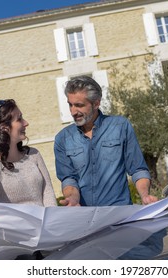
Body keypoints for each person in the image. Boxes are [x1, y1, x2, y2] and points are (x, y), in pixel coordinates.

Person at [54, 75, 158, 207]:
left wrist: (145, 196)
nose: (73, 111)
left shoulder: (121, 126)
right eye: (70, 105)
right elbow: (69, 179)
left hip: (120, 215)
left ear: (96, 103)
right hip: (85, 218)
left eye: (79, 105)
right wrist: (72, 198)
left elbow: (138, 169)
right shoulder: (62, 139)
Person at [0, 99, 57, 252]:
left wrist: (53, 231)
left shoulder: (34, 155)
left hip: (46, 239)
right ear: (4, 128)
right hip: (16, 247)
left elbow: (48, 194)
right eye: (19, 119)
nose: (26, 123)